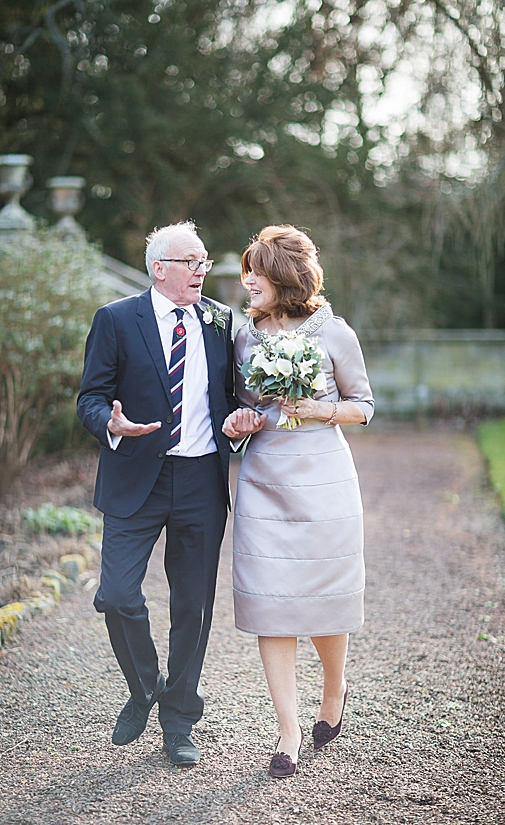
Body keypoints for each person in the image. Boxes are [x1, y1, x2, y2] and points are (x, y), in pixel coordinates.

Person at [77, 221, 263, 766]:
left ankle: (179, 720)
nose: (201, 272)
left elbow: (227, 396)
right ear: (159, 269)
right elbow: (91, 397)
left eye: (204, 262)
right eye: (191, 262)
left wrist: (237, 420)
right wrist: (112, 424)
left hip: (202, 480)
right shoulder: (115, 320)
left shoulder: (219, 321)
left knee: (193, 608)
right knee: (114, 594)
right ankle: (145, 686)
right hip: (137, 478)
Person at [223, 225, 374, 777]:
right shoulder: (244, 336)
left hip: (325, 480)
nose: (246, 281)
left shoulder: (335, 334)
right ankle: (287, 731)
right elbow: (246, 409)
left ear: (283, 278)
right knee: (271, 602)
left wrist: (317, 410)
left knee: (325, 599)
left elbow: (364, 405)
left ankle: (335, 688)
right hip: (264, 481)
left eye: (254, 271)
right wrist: (241, 421)